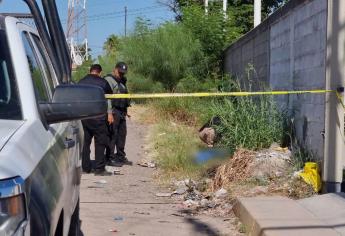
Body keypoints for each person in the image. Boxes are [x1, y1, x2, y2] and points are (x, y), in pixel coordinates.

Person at [78, 64, 113, 176]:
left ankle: (85, 167)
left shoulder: (81, 82)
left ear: (90, 70)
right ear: (100, 72)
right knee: (100, 142)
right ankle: (99, 169)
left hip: (84, 116)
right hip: (98, 117)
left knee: (85, 143)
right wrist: (109, 113)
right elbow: (109, 96)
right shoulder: (103, 82)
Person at [104, 62, 132, 166]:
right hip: (113, 111)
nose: (121, 74)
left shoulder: (122, 81)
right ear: (115, 69)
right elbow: (107, 98)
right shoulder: (108, 80)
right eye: (120, 72)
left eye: (123, 73)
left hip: (121, 111)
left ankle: (120, 156)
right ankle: (109, 158)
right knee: (112, 135)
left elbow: (124, 96)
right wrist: (109, 113)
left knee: (122, 134)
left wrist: (126, 111)